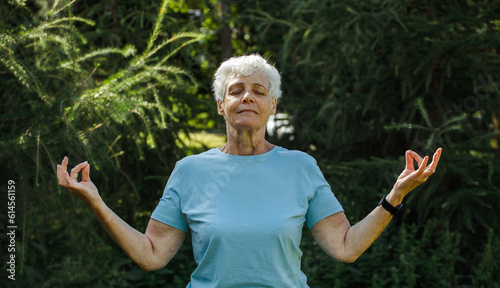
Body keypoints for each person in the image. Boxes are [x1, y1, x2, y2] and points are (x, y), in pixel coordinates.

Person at [57, 54, 442, 287]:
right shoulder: (190, 171)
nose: (247, 97)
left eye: (259, 91)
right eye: (236, 90)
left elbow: (346, 248)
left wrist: (396, 196)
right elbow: (153, 254)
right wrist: (96, 202)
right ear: (221, 105)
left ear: (272, 106)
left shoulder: (300, 166)